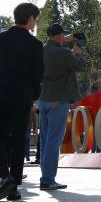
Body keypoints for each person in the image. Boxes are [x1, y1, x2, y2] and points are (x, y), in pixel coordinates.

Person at [0, 2, 44, 201]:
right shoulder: (35, 45)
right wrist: (34, 95)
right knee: (19, 140)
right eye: (35, 19)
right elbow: (38, 75)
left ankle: (4, 176)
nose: (35, 23)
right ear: (30, 19)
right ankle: (14, 187)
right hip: (22, 97)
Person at [38, 23, 86, 191]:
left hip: (43, 99)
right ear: (59, 36)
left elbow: (56, 46)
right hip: (58, 100)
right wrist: (77, 51)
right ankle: (47, 179)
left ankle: (45, 175)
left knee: (44, 140)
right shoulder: (63, 53)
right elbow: (79, 65)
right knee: (53, 141)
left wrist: (64, 40)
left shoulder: (42, 50)